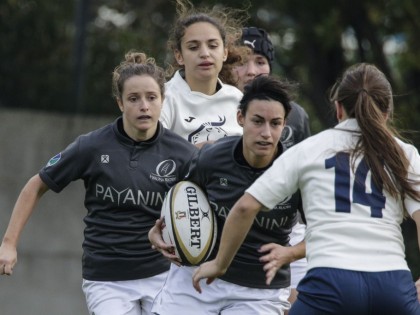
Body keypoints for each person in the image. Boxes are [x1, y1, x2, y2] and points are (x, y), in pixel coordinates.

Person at [192, 63, 420, 315]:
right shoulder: (404, 154)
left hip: (332, 283)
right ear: (387, 112)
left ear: (338, 108)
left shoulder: (310, 149)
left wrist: (220, 265)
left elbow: (245, 207)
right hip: (392, 284)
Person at [0, 51, 197, 315]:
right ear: (120, 103)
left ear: (163, 100)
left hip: (163, 274)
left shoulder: (182, 153)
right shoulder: (91, 146)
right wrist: (9, 243)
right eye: (133, 98)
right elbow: (35, 186)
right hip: (106, 278)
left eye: (152, 97)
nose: (144, 106)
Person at [149, 75, 305, 315]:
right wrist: (158, 229)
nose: (266, 133)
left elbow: (327, 231)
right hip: (198, 276)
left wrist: (290, 252)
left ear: (284, 124)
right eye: (257, 121)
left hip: (259, 291)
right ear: (240, 118)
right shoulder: (211, 158)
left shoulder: (298, 171)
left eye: (275, 123)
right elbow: (177, 199)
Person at [232, 26, 310, 306]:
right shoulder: (214, 110)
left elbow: (305, 178)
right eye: (242, 61)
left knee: (294, 305)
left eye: (260, 61)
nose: (252, 70)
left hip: (286, 230)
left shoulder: (296, 116)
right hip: (228, 230)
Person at [159, 0, 248, 147]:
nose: (205, 54)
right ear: (179, 55)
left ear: (225, 53)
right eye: (193, 47)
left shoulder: (238, 99)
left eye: (213, 46)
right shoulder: (163, 98)